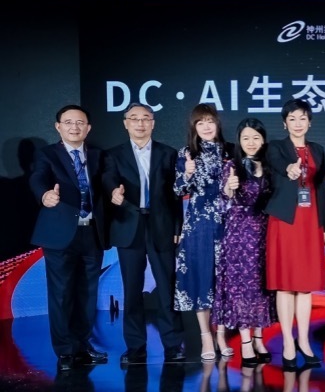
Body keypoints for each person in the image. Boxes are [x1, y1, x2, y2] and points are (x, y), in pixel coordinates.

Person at [104, 103, 186, 365]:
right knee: (132, 289)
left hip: (162, 226)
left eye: (145, 119)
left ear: (153, 123)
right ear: (125, 123)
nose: (140, 123)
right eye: (134, 118)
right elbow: (108, 181)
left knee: (167, 287)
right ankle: (135, 346)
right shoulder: (112, 155)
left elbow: (176, 196)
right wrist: (113, 193)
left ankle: (173, 344)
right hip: (129, 226)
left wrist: (177, 227)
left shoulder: (168, 153)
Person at [30, 104, 109, 371]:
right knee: (61, 294)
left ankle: (83, 346)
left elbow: (107, 184)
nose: (74, 127)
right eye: (68, 122)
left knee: (88, 294)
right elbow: (37, 178)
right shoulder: (47, 154)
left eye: (80, 123)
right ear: (58, 126)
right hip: (60, 234)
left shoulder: (98, 156)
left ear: (88, 128)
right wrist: (44, 195)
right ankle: (65, 351)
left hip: (92, 232)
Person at [265, 99, 325, 370]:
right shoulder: (276, 148)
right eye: (292, 118)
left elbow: (322, 189)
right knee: (286, 284)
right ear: (285, 123)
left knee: (305, 284)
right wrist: (290, 168)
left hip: (310, 220)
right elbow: (277, 163)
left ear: (310, 122)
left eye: (302, 118)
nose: (298, 123)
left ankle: (303, 341)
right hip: (285, 221)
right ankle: (287, 343)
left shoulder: (317, 150)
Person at [212, 118, 277, 366]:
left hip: (265, 233)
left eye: (256, 138)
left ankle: (259, 339)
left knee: (261, 286)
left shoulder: (270, 166)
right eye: (246, 138)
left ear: (263, 140)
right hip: (239, 235)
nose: (251, 143)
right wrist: (229, 188)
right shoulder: (232, 166)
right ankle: (246, 341)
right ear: (239, 141)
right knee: (242, 287)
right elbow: (223, 199)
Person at [173, 103, 233, 360]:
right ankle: (205, 335)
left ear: (217, 123)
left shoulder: (230, 151)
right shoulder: (187, 153)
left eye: (210, 121)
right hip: (198, 225)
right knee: (201, 278)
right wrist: (186, 174)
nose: (206, 127)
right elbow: (177, 190)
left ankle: (221, 334)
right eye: (201, 122)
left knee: (224, 280)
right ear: (194, 127)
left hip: (227, 224)